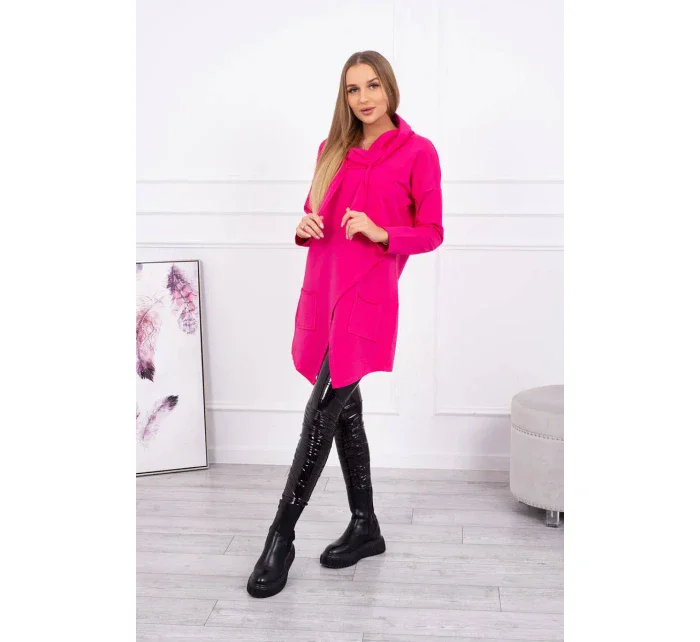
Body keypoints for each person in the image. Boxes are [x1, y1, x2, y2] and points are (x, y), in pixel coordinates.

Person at [247, 50, 444, 598]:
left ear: (390, 88)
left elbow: (432, 231)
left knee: (321, 412)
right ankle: (366, 526)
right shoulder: (329, 149)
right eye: (353, 89)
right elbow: (318, 218)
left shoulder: (418, 152)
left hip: (367, 299)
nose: (364, 98)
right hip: (324, 291)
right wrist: (305, 225)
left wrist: (383, 233)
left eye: (373, 86)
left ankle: (280, 538)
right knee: (344, 411)